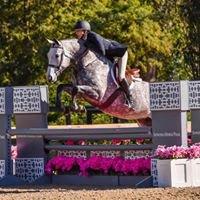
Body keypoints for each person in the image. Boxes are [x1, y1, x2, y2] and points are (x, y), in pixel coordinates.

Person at [74, 20, 135, 107]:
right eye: (76, 31)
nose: (76, 33)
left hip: (121, 54)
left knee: (121, 77)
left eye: (78, 31)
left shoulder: (93, 36)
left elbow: (102, 51)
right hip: (111, 55)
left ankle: (130, 98)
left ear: (84, 31)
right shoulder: (84, 40)